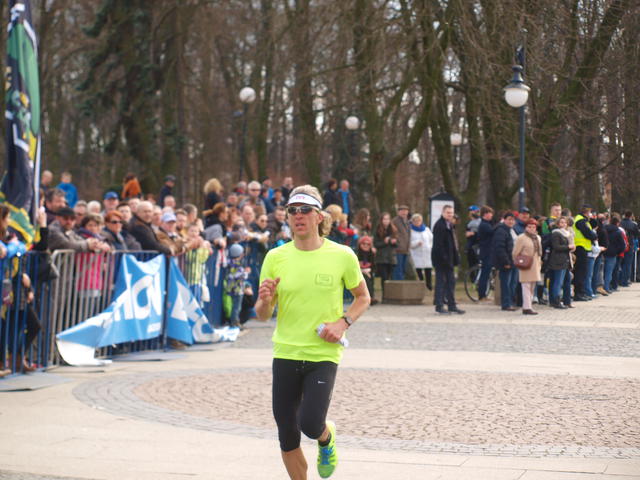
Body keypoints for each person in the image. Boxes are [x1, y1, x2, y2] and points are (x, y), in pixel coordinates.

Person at [255, 185, 370, 480]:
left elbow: (363, 297)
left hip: (322, 353)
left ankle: (326, 437)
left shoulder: (342, 255)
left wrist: (342, 323)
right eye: (292, 210)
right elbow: (262, 314)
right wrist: (264, 301)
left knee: (310, 423)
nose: (298, 215)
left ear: (320, 217)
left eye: (305, 210)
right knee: (287, 432)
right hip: (286, 351)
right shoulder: (275, 257)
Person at [431, 205, 464, 315]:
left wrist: (455, 258)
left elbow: (452, 243)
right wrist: (445, 258)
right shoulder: (440, 225)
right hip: (441, 260)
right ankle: (439, 305)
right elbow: (439, 245)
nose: (450, 215)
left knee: (451, 282)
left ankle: (451, 305)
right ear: (443, 213)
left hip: (449, 259)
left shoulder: (450, 225)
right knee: (441, 282)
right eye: (448, 212)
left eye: (451, 213)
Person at [513, 219, 543, 315]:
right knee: (526, 285)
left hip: (536, 264)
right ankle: (527, 307)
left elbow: (539, 252)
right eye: (529, 227)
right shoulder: (521, 238)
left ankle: (528, 305)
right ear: (525, 227)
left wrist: (540, 263)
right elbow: (515, 252)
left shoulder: (538, 237)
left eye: (533, 227)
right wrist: (518, 261)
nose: (531, 229)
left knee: (532, 286)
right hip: (525, 264)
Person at [491, 212, 517, 311]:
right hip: (505, 262)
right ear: (504, 220)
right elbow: (500, 248)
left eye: (513, 220)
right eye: (509, 219)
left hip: (513, 261)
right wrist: (506, 262)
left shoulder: (510, 230)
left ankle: (510, 302)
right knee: (506, 284)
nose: (511, 221)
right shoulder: (501, 231)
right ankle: (506, 304)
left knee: (512, 284)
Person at [547, 216, 574, 308]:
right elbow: (556, 247)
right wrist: (568, 247)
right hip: (558, 260)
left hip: (566, 260)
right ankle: (556, 301)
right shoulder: (556, 233)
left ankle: (567, 301)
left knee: (567, 281)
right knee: (558, 281)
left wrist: (571, 248)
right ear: (558, 224)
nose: (564, 224)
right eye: (562, 222)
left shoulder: (567, 233)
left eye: (565, 222)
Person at [572, 205, 597, 301]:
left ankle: (581, 292)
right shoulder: (581, 221)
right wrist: (594, 236)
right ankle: (579, 293)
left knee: (582, 271)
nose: (590, 214)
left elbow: (594, 224)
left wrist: (591, 219)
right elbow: (588, 233)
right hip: (580, 248)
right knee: (580, 272)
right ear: (586, 212)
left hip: (582, 248)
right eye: (590, 212)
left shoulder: (582, 220)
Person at [224, 243, 250, 328]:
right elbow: (241, 276)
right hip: (237, 289)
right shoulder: (238, 264)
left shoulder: (229, 262)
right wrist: (246, 272)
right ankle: (235, 322)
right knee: (236, 307)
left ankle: (234, 321)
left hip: (230, 288)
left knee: (233, 306)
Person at [373, 212, 397, 297]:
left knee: (390, 278)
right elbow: (376, 244)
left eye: (388, 219)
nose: (386, 221)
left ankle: (390, 295)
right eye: (384, 219)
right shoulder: (377, 229)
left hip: (391, 257)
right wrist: (385, 242)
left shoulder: (393, 229)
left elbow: (396, 244)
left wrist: (394, 242)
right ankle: (384, 296)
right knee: (384, 277)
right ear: (381, 220)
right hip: (381, 258)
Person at [409, 213, 433, 291]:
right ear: (412, 221)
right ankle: (421, 285)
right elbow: (409, 243)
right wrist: (416, 243)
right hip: (416, 253)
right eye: (416, 221)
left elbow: (431, 239)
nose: (417, 222)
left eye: (419, 220)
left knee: (428, 269)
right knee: (418, 269)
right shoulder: (410, 230)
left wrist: (430, 247)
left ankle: (429, 285)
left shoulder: (426, 229)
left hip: (427, 253)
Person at [477, 205, 495, 301]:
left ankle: (483, 294)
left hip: (488, 252)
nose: (491, 215)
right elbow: (492, 232)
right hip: (486, 252)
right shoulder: (484, 225)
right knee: (485, 274)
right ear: (485, 214)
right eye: (490, 213)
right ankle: (482, 295)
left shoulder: (487, 224)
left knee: (486, 274)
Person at [391, 205, 411, 280]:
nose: (404, 213)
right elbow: (392, 233)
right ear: (398, 212)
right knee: (398, 270)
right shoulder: (395, 221)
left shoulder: (407, 221)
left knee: (403, 269)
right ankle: (397, 285)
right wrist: (397, 242)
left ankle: (401, 284)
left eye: (406, 211)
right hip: (398, 249)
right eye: (402, 211)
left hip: (406, 249)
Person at [620, 210, 638, 286]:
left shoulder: (620, 223)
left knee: (620, 263)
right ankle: (625, 280)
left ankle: (619, 280)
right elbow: (636, 234)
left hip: (620, 245)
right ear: (631, 216)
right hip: (629, 245)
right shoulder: (633, 224)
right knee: (627, 264)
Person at [356, 235, 376, 304]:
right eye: (364, 244)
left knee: (369, 278)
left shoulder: (372, 254)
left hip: (369, 272)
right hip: (359, 272)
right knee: (365, 278)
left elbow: (374, 266)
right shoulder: (357, 254)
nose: (366, 246)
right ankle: (367, 297)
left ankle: (370, 297)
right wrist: (363, 271)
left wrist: (369, 271)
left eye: (368, 244)